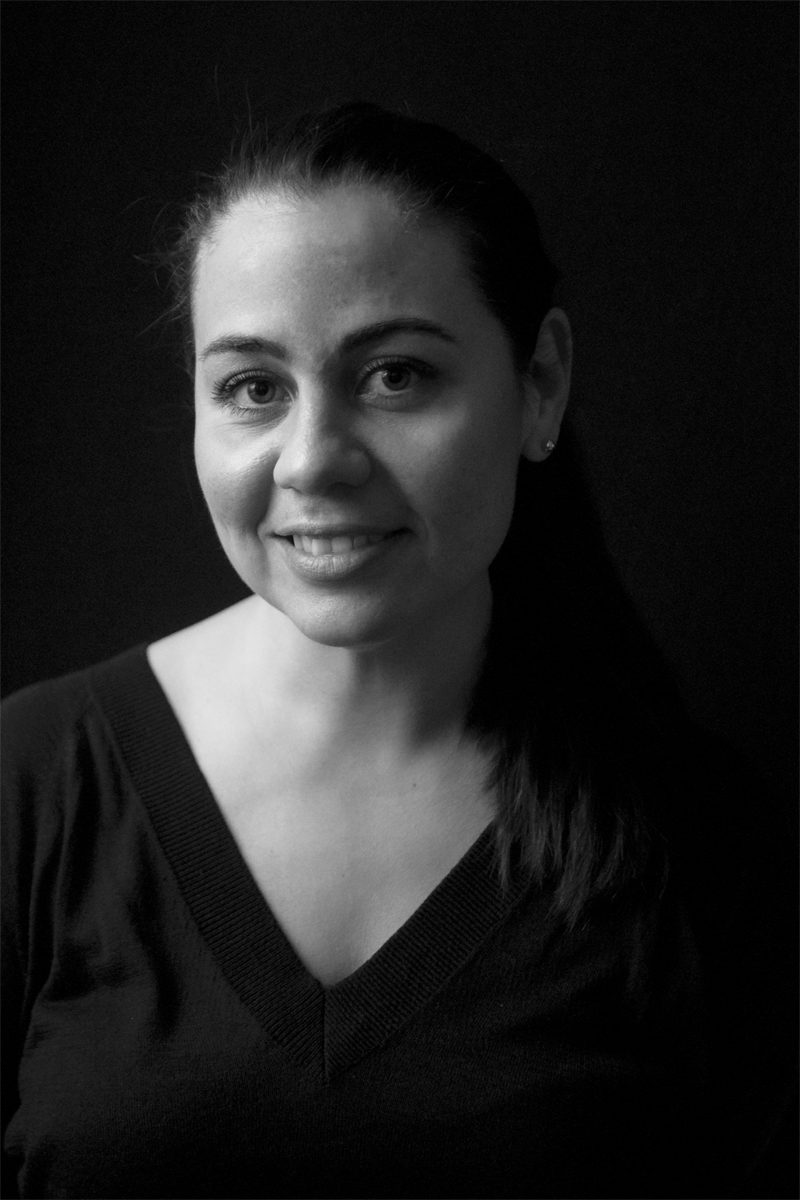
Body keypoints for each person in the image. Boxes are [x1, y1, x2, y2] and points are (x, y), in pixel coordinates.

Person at [1, 103, 795, 1200]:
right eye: (252, 388)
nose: (311, 461)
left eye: (396, 376)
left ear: (540, 382)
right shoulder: (35, 783)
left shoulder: (696, 846)